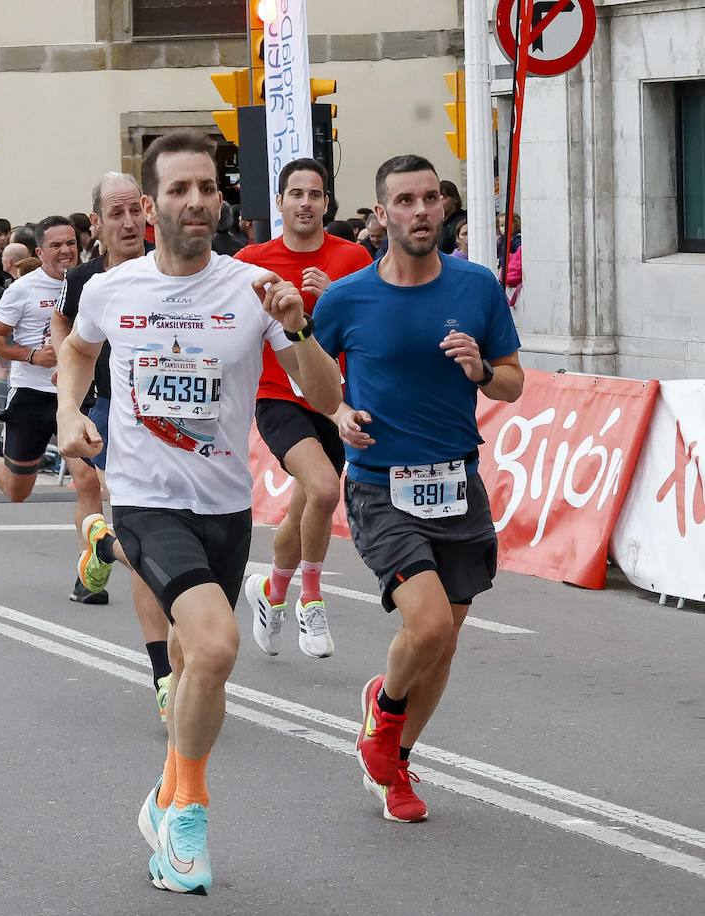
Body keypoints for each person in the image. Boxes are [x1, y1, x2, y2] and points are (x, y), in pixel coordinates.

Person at [56, 129, 341, 896]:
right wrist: (66, 413)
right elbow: (78, 351)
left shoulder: (252, 288)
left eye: (207, 188)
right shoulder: (112, 290)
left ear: (223, 199)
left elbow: (324, 397)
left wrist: (298, 322)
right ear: (150, 207)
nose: (196, 202)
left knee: (191, 666)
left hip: (225, 506)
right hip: (147, 501)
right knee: (215, 648)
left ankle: (165, 794)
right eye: (179, 190)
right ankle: (189, 814)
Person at [315, 154, 523, 823]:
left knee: (445, 639)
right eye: (404, 200)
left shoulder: (475, 287)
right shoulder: (346, 298)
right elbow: (307, 382)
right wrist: (339, 414)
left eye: (431, 198)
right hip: (381, 486)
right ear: (381, 215)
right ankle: (385, 717)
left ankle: (395, 761)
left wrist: (483, 370)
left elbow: (514, 381)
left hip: (458, 481)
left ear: (444, 208)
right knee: (427, 622)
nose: (421, 211)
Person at [236, 158, 374, 660]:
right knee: (321, 488)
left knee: (304, 509)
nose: (306, 203)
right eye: (296, 193)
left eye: (315, 194)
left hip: (333, 397)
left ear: (327, 203)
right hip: (277, 396)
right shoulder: (253, 259)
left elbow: (373, 319)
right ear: (279, 202)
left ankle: (270, 593)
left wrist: (333, 296)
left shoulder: (353, 257)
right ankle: (310, 600)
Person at [48, 171, 173, 716]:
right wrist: (68, 397)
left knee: (148, 538)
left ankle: (101, 546)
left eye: (133, 212)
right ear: (96, 223)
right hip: (110, 410)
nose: (127, 224)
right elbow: (65, 326)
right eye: (114, 214)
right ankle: (165, 674)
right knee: (137, 531)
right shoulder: (85, 280)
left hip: (178, 423)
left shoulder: (175, 265)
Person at [0, 216, 107, 602]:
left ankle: (89, 573)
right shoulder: (23, 290)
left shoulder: (90, 282)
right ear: (40, 252)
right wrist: (33, 355)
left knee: (87, 480)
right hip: (31, 395)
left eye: (71, 243)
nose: (66, 251)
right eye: (57, 246)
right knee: (18, 490)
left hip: (76, 396)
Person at [437, 179, 466, 254]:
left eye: (444, 197)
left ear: (455, 199)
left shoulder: (462, 222)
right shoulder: (437, 223)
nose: (439, 202)